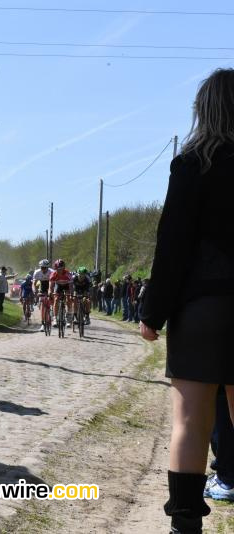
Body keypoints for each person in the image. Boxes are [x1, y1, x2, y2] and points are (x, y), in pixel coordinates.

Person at [140, 68, 234, 534]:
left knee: (191, 421)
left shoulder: (193, 162)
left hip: (203, 306)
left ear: (204, 110)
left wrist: (152, 312)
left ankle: (184, 525)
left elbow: (172, 243)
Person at [48, 259, 73, 326]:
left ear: (64, 268)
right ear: (55, 269)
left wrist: (71, 294)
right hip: (58, 286)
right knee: (56, 299)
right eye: (58, 269)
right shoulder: (53, 274)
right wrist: (50, 292)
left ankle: (68, 316)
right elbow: (51, 286)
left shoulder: (68, 273)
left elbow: (71, 286)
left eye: (61, 268)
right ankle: (55, 318)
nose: (60, 270)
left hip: (66, 286)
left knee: (68, 299)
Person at [32, 259, 54, 331]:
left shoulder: (52, 272)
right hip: (42, 285)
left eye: (45, 267)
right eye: (42, 267)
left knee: (52, 298)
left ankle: (53, 312)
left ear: (47, 267)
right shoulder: (37, 272)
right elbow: (34, 283)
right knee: (42, 304)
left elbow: (53, 284)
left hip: (51, 284)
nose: (43, 269)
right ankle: (43, 324)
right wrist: (35, 292)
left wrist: (51, 292)